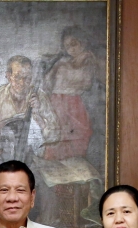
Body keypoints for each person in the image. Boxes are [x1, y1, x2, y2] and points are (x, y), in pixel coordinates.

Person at [0, 55, 60, 172]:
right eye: (17, 77)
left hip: (31, 164)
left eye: (27, 78)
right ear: (8, 76)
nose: (22, 82)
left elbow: (55, 134)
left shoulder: (40, 97)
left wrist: (38, 114)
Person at [42, 27, 102, 162]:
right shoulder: (63, 61)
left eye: (74, 44)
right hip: (56, 104)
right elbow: (47, 81)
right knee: (55, 143)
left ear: (82, 41)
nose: (71, 49)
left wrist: (65, 76)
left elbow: (86, 83)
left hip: (74, 105)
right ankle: (57, 181)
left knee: (76, 144)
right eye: (67, 46)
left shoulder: (89, 59)